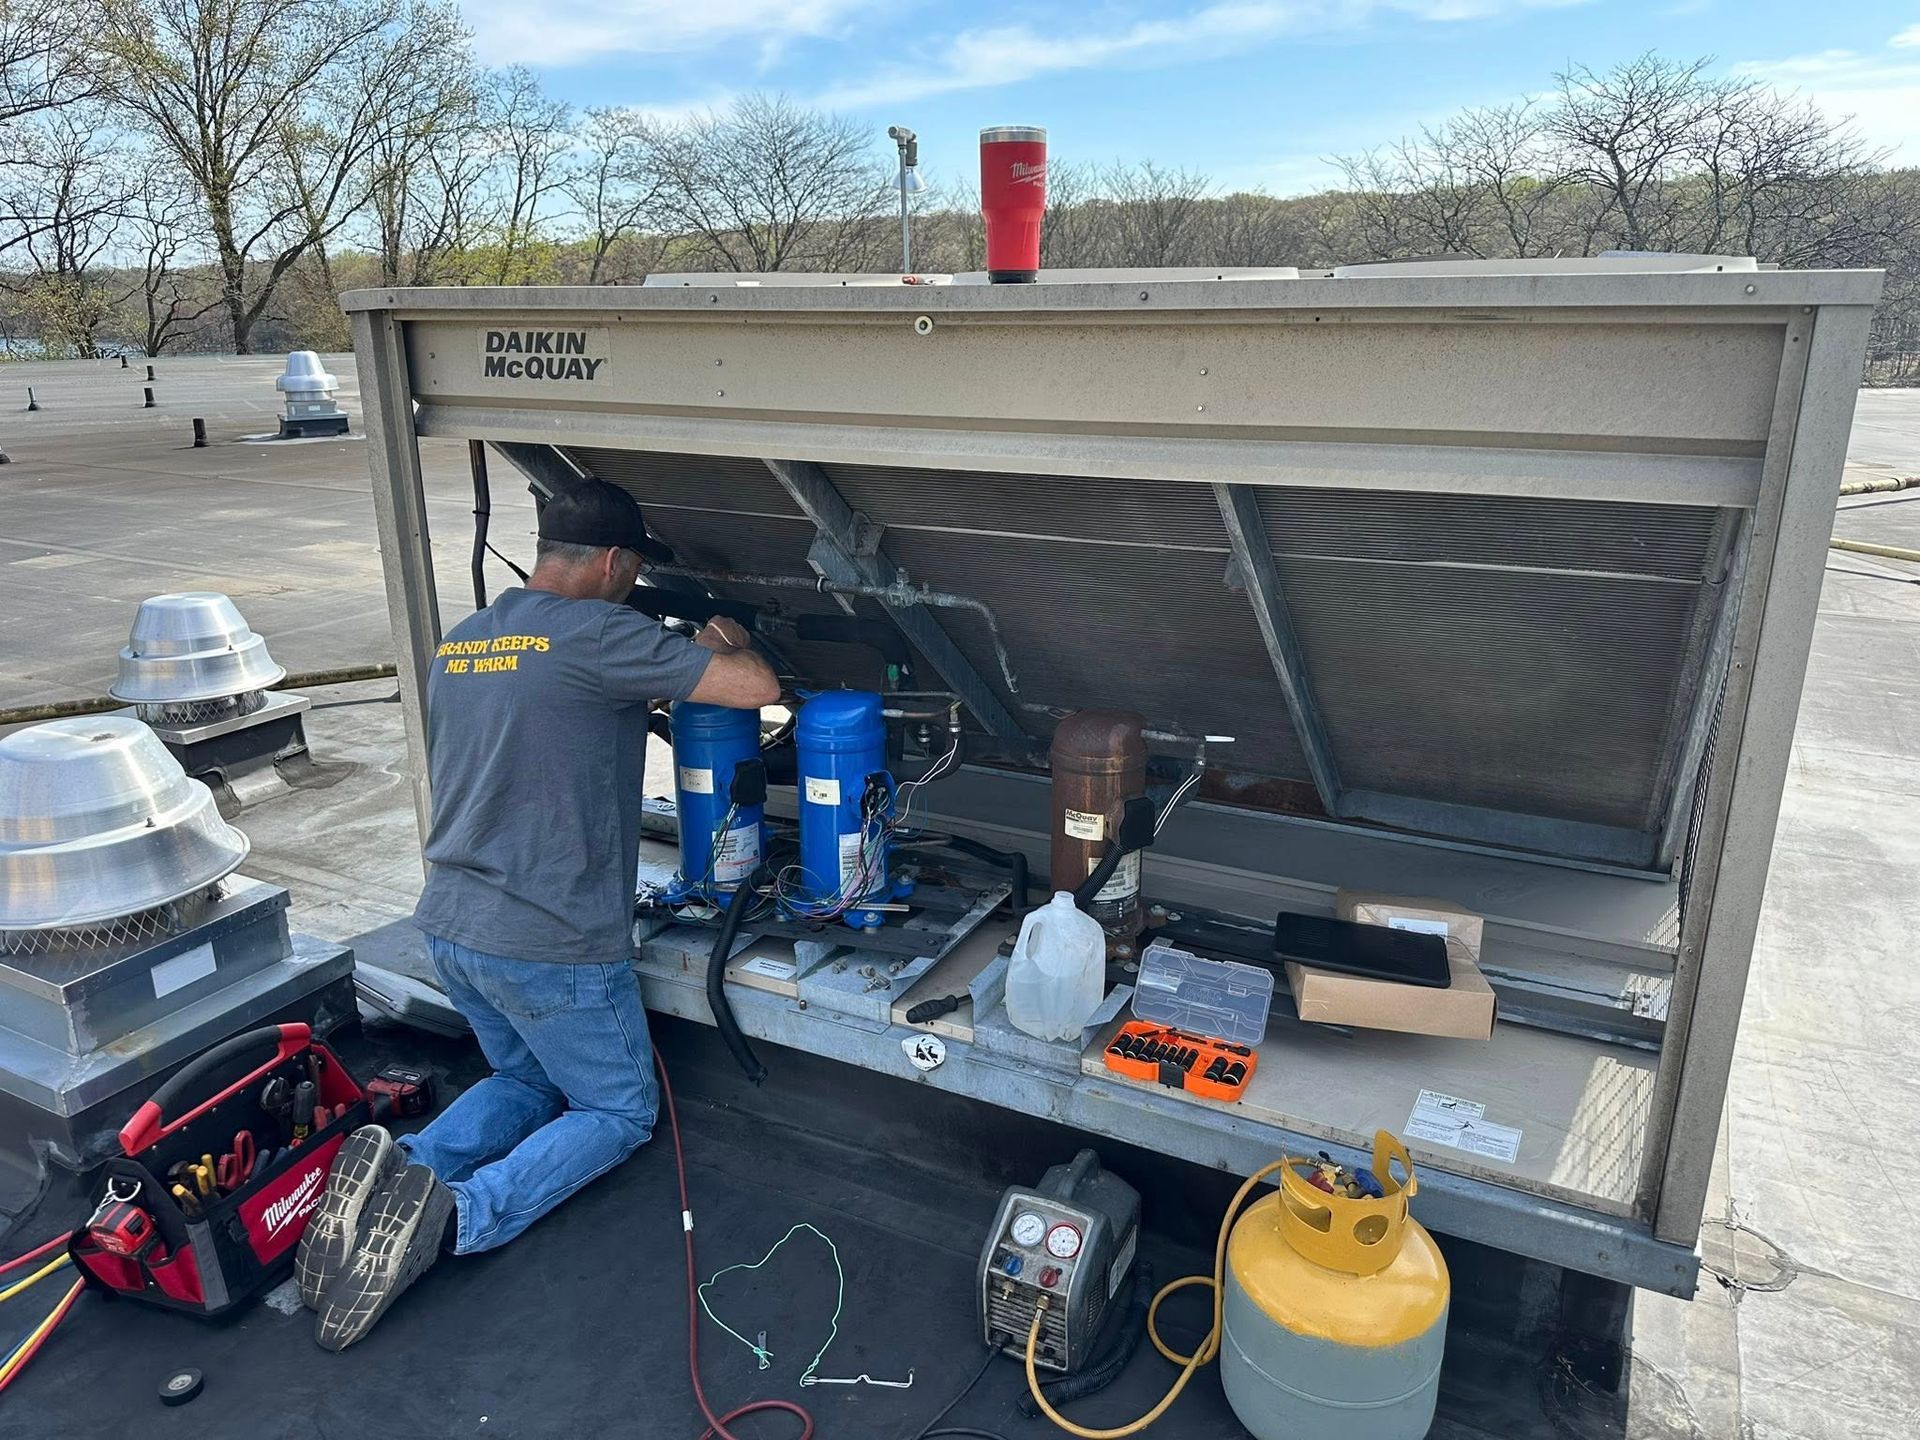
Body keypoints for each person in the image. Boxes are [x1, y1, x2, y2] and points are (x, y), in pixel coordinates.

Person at [297, 478, 779, 1350]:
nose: (632, 586)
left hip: (448, 923)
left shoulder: (467, 639)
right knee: (617, 1110)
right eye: (632, 572)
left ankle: (394, 1176)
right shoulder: (603, 633)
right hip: (550, 942)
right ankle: (451, 1220)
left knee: (524, 1080)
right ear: (612, 562)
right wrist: (721, 640)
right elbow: (754, 687)